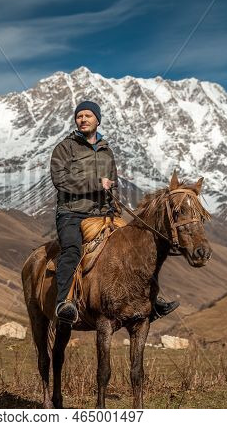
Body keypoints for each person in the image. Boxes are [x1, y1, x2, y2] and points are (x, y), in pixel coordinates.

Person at [50, 100, 179, 324]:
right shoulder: (65, 147)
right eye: (79, 116)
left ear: (97, 120)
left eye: (88, 116)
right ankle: (65, 303)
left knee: (138, 246)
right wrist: (97, 183)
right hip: (72, 213)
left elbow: (112, 184)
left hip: (103, 213)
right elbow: (61, 181)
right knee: (71, 249)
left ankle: (152, 298)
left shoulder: (106, 150)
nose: (83, 120)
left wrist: (113, 208)